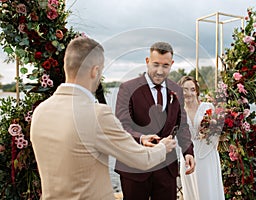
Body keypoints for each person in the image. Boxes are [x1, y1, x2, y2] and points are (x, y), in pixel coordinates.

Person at [30, 37, 177, 200]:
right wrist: (163, 147)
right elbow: (142, 159)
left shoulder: (40, 111)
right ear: (95, 71)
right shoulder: (97, 114)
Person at [115, 41, 195, 200]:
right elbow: (121, 126)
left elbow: (182, 125)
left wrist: (188, 151)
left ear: (171, 64)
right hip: (135, 168)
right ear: (147, 61)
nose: (160, 71)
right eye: (155, 64)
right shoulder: (128, 88)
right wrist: (140, 138)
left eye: (165, 66)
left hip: (167, 169)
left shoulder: (177, 90)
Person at [178, 76, 225, 200]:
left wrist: (210, 133)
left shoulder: (208, 107)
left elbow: (218, 132)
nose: (189, 93)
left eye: (192, 89)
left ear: (197, 91)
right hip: (187, 155)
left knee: (208, 190)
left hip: (207, 154)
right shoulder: (178, 111)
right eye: (185, 89)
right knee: (191, 191)